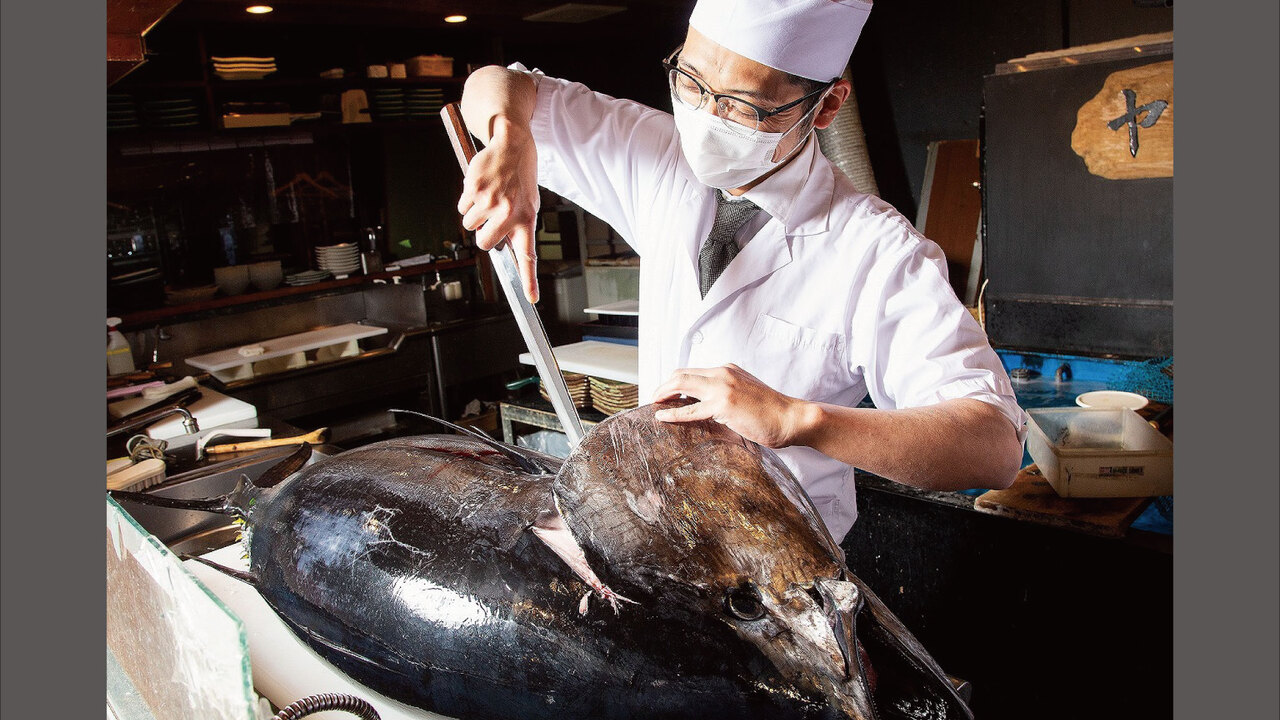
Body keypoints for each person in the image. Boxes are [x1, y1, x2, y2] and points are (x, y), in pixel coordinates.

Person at [455, 0, 1027, 542]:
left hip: (778, 587)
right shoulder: (658, 155)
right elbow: (494, 82)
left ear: (826, 107)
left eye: (740, 104)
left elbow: (991, 444)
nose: (703, 116)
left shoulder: (876, 252)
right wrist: (512, 139)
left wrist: (798, 419)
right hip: (654, 541)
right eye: (691, 81)